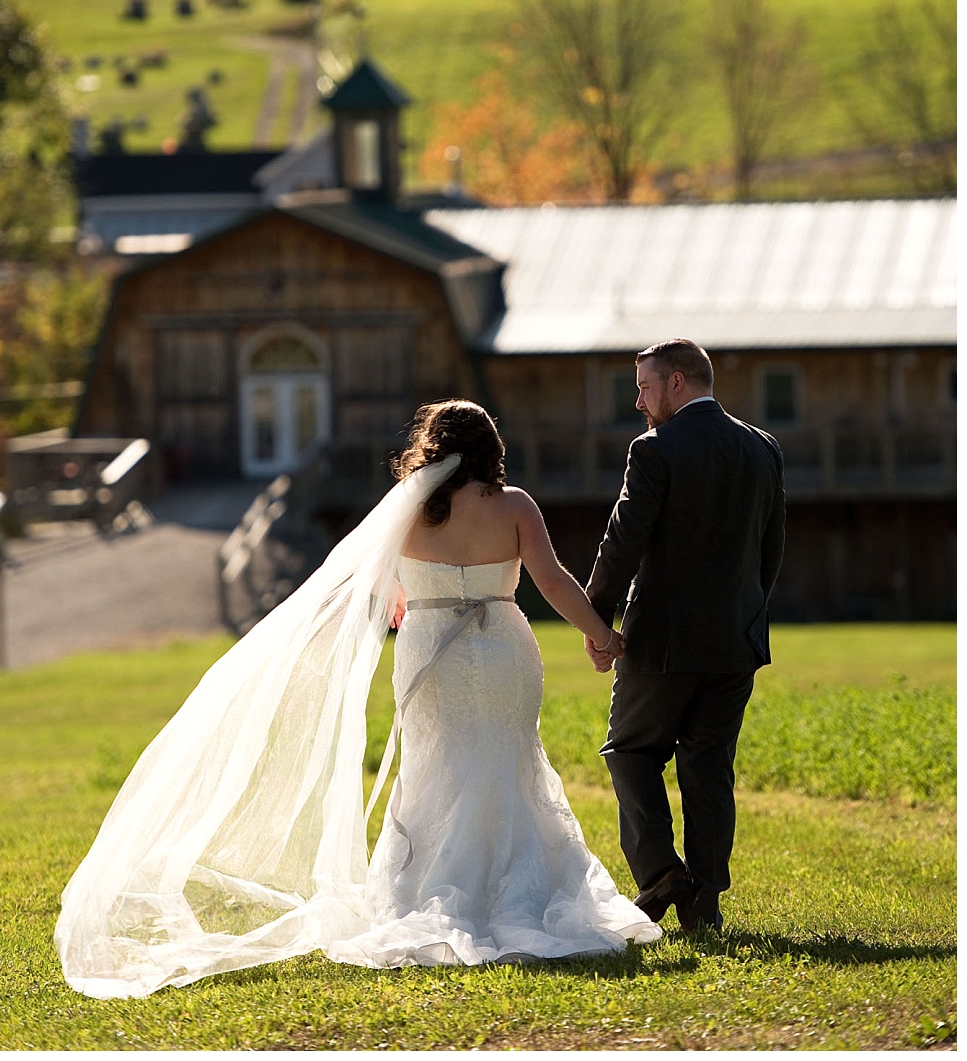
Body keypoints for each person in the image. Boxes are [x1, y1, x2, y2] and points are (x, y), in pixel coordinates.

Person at [57, 400, 658, 998]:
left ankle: (430, 891)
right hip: (502, 646)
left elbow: (375, 584)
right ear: (490, 447)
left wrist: (407, 590)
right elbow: (551, 580)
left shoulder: (409, 510)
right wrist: (602, 635)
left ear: (431, 448)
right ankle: (516, 890)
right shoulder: (514, 505)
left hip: (428, 651)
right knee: (506, 758)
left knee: (434, 766)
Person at [585, 339, 785, 936]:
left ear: (676, 382)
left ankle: (660, 875)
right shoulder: (763, 447)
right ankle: (705, 902)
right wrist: (746, 613)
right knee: (708, 768)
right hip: (737, 641)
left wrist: (598, 620)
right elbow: (769, 550)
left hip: (663, 644)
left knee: (631, 752)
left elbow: (624, 542)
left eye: (644, 387)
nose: (639, 401)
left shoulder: (654, 450)